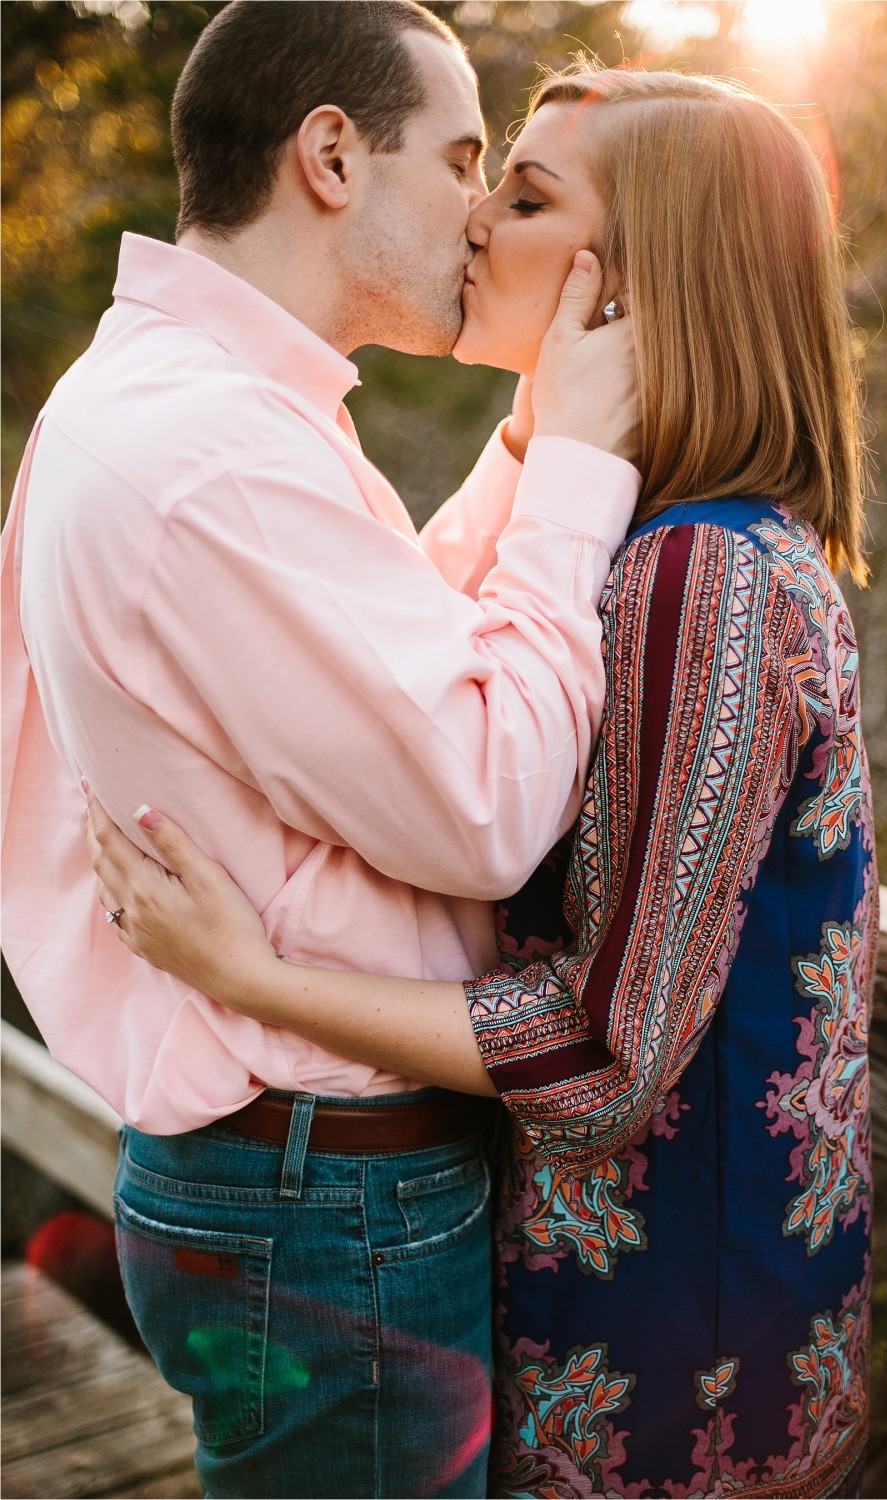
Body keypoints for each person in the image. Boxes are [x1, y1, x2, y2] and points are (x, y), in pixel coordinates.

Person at [88, 67, 876, 1500]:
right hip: (645, 1308)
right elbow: (434, 676)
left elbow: (607, 1054)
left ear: (632, 282)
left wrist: (253, 978)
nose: (471, 221)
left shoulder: (696, 579)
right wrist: (545, 444)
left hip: (663, 1358)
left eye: (520, 194)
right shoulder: (678, 545)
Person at [0, 4, 642, 1497]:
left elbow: (358, 668)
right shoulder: (209, 452)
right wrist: (588, 477)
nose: (484, 209)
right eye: (465, 156)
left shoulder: (165, 405)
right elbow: (485, 804)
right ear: (334, 157)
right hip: (328, 1201)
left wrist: (534, 442)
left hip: (277, 1179)